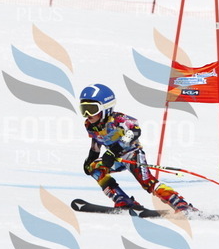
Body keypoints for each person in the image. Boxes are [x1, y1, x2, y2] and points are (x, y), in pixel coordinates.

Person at [79, 83, 194, 212]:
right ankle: (122, 200)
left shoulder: (118, 120)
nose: (87, 114)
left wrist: (113, 151)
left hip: (132, 155)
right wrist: (90, 159)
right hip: (116, 160)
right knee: (95, 168)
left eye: (91, 109)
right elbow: (96, 142)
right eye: (84, 109)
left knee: (147, 182)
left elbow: (135, 131)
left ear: (106, 108)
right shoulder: (89, 125)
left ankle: (180, 203)